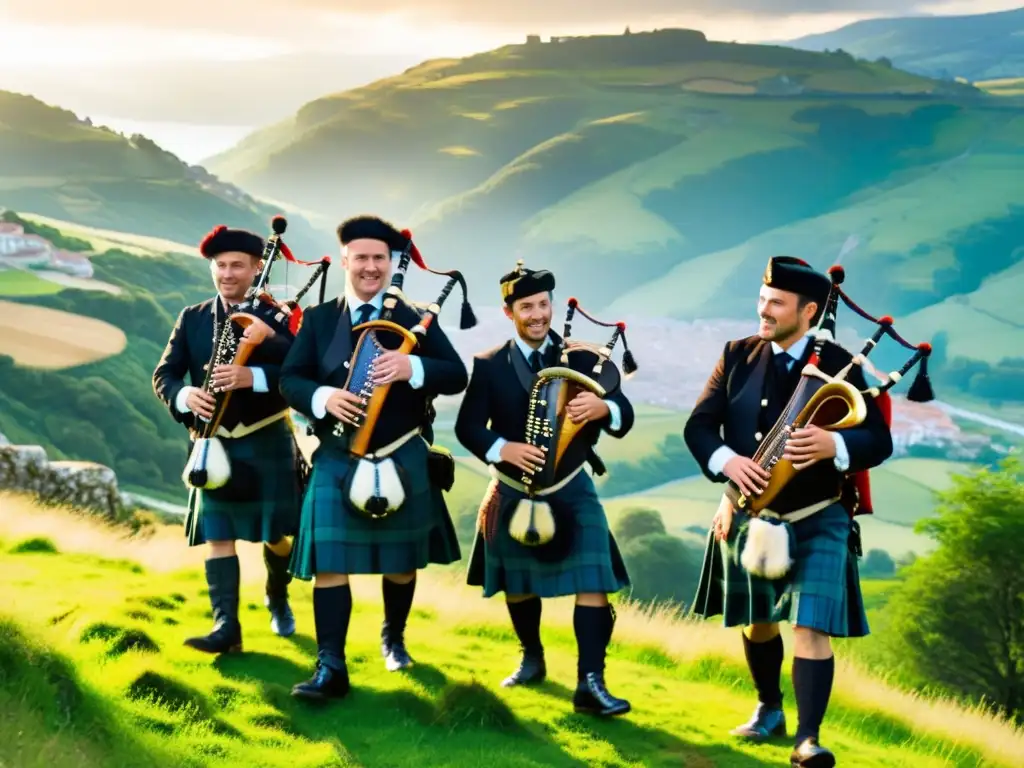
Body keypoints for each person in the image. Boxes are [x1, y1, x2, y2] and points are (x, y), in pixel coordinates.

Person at [685, 256, 894, 767]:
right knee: (758, 622)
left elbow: (878, 440)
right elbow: (700, 426)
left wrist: (834, 445)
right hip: (751, 512)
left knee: (809, 625)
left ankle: (808, 740)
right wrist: (728, 464)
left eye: (776, 303)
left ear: (810, 310)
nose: (764, 311)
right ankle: (768, 708)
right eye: (762, 300)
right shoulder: (738, 355)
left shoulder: (844, 364)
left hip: (819, 513)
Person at [278, 214, 468, 701]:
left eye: (378, 258)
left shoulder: (415, 317)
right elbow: (290, 380)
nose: (370, 267)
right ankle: (330, 666)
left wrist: (413, 365)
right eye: (360, 257)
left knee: (403, 562)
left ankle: (394, 637)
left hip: (401, 450)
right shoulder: (321, 321)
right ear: (344, 259)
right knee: (329, 565)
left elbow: (455, 374)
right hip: (338, 452)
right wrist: (323, 398)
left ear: (390, 262)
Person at [455, 259, 635, 717]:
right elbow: (468, 427)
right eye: (526, 307)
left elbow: (624, 413)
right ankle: (531, 657)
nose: (537, 314)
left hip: (572, 487)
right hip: (514, 487)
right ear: (509, 312)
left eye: (543, 304)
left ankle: (590, 683)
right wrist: (502, 449)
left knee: (594, 582)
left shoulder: (586, 359)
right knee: (517, 583)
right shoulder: (490, 364)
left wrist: (604, 409)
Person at [152, 224, 301, 653]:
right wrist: (182, 395)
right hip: (211, 441)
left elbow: (299, 373)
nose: (228, 273)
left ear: (257, 268)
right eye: (220, 265)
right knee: (218, 534)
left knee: (277, 533)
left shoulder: (279, 318)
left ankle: (277, 593)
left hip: (265, 436)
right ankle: (226, 629)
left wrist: (251, 377)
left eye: (238, 265)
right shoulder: (193, 317)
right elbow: (165, 374)